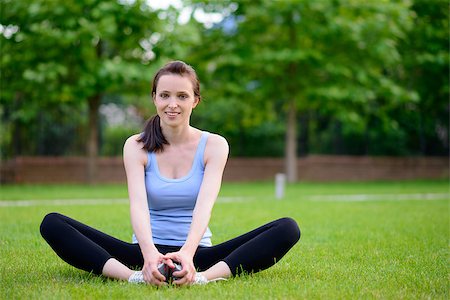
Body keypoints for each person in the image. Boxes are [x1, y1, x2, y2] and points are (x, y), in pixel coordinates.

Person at [40, 60, 301, 286]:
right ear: (154, 98)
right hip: (143, 253)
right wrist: (150, 255)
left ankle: (203, 277)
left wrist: (187, 254)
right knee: (52, 223)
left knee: (288, 228)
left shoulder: (215, 145)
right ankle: (134, 277)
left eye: (182, 96)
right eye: (164, 95)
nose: (172, 104)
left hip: (198, 253)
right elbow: (138, 206)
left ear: (195, 101)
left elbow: (204, 207)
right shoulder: (135, 146)